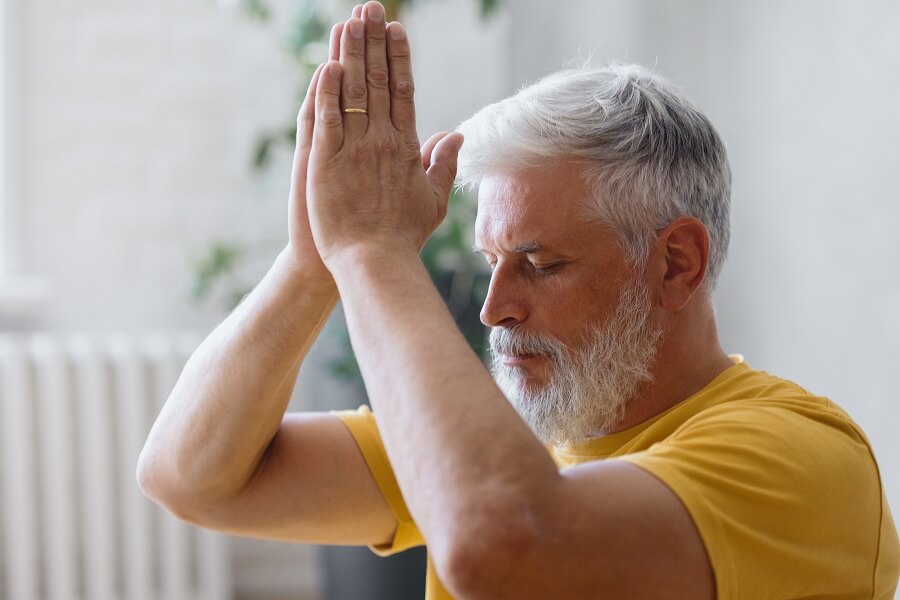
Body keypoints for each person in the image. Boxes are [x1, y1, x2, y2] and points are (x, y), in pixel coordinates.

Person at [137, 2, 899, 598]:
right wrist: (312, 265)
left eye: (540, 262)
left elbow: (503, 545)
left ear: (676, 264)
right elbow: (191, 474)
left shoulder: (801, 459)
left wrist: (372, 250)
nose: (493, 307)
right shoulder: (512, 440)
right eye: (493, 262)